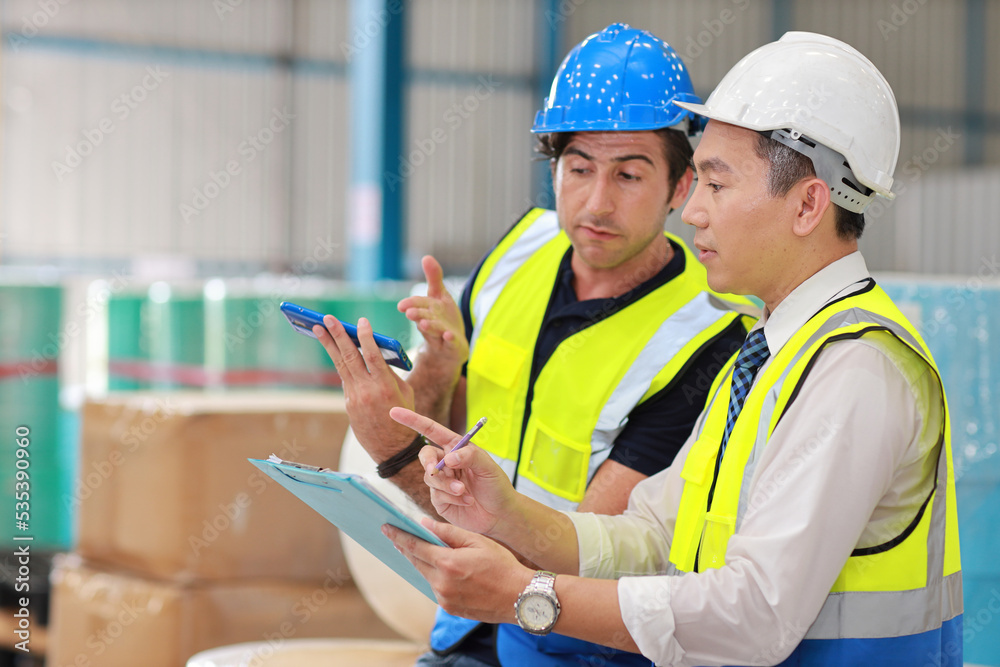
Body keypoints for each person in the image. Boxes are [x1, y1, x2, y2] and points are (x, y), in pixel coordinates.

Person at [383, 31, 964, 667]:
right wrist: (504, 515)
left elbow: (753, 616)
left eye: (715, 185)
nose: (692, 214)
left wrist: (526, 595)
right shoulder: (772, 354)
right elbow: (653, 535)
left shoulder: (855, 370)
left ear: (807, 205)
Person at [314, 23, 752, 667]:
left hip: (575, 642)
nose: (595, 203)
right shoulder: (518, 253)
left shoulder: (705, 340)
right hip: (467, 625)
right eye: (578, 169)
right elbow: (454, 429)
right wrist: (437, 373)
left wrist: (390, 448)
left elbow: (590, 552)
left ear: (680, 188)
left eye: (629, 175)